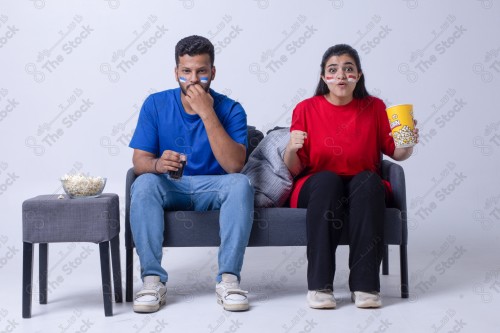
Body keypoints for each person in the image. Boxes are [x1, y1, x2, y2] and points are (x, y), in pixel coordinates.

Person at [283, 44, 419, 309]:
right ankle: (320, 286)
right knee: (328, 181)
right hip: (316, 184)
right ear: (323, 77)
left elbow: (397, 154)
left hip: (361, 183)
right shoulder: (306, 108)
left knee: (368, 181)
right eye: (333, 70)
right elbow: (294, 168)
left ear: (359, 75)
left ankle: (366, 286)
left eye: (348, 69)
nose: (341, 76)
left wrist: (408, 140)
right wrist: (290, 148)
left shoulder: (375, 107)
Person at [129, 35, 254, 313]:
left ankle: (229, 280)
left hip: (216, 187)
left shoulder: (231, 109)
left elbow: (234, 166)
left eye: (201, 72)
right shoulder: (156, 104)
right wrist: (158, 164)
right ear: (176, 72)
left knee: (240, 184)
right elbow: (139, 161)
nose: (194, 80)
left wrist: (207, 112)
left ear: (213, 72)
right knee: (145, 183)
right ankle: (151, 280)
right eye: (186, 72)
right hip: (171, 186)